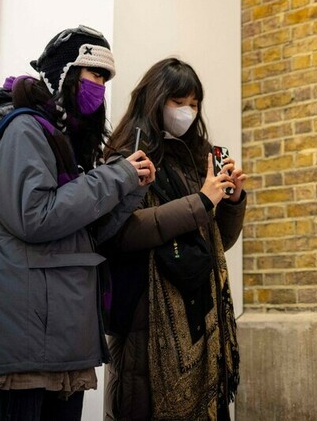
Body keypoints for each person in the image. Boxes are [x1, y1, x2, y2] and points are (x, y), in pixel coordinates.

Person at [0, 25, 156, 420]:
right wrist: (115, 177)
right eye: (94, 74)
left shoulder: (63, 138)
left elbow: (84, 235)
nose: (100, 86)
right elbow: (36, 216)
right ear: (64, 73)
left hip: (55, 341)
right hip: (22, 345)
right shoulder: (23, 129)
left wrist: (129, 188)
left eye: (105, 79)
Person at [102, 57, 247, 421]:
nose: (187, 112)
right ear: (154, 100)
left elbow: (214, 244)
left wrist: (231, 201)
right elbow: (123, 231)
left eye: (194, 104)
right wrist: (200, 202)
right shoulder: (128, 156)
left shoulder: (198, 157)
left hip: (202, 315)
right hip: (144, 316)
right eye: (178, 102)